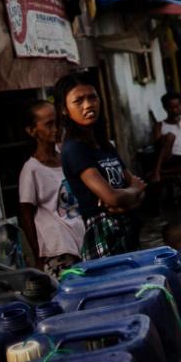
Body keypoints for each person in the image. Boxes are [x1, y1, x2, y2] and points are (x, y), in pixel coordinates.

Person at [56, 72, 146, 257]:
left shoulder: (105, 146)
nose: (88, 105)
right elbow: (113, 196)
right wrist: (132, 192)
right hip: (105, 237)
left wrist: (126, 201)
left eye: (92, 97)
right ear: (64, 109)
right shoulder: (74, 149)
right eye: (78, 101)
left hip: (127, 231)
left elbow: (138, 189)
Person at [18, 99, 85, 277]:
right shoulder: (31, 169)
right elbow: (26, 214)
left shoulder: (67, 156)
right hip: (57, 247)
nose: (55, 129)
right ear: (32, 131)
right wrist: (37, 255)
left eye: (57, 122)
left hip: (81, 237)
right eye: (48, 124)